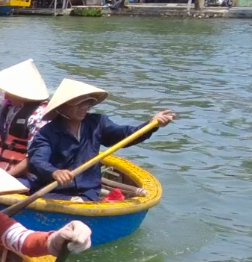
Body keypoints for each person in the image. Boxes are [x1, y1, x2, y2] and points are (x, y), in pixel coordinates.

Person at [28, 79, 176, 201]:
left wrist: (151, 124)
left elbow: (125, 135)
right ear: (62, 108)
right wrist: (55, 172)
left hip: (88, 191)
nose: (84, 107)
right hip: (54, 192)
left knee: (82, 202)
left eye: (87, 103)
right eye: (78, 104)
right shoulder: (47, 133)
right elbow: (37, 161)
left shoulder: (98, 123)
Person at [0, 59, 51, 177]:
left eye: (10, 91)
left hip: (20, 173)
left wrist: (6, 177)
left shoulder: (39, 115)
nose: (6, 95)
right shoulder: (5, 106)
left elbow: (34, 155)